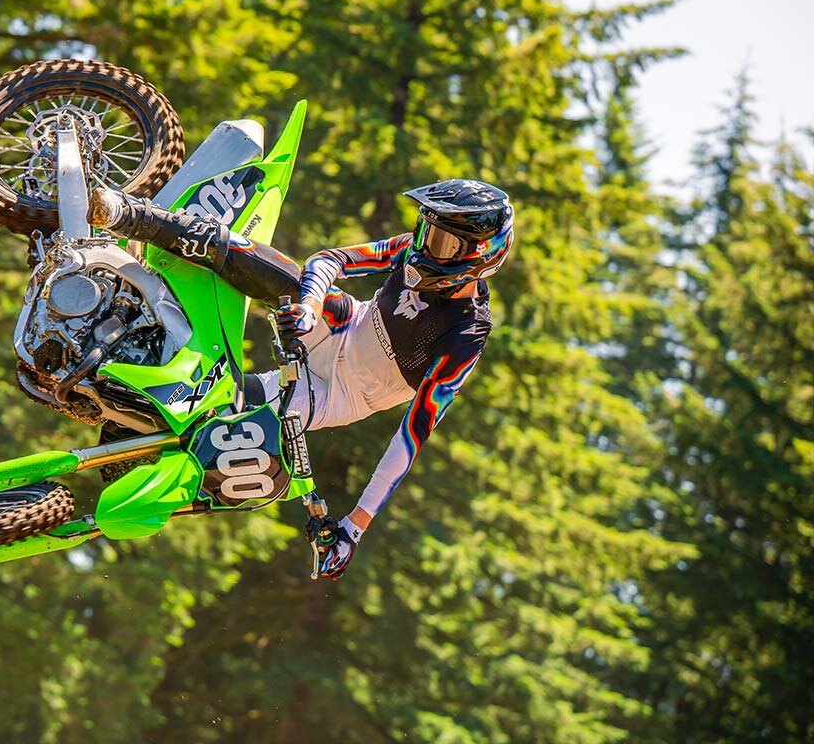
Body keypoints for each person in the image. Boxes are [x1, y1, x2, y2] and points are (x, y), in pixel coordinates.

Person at [88, 179, 513, 580]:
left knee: (218, 418)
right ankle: (132, 215)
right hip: (345, 325)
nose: (423, 244)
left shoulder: (467, 334)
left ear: (479, 256)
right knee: (281, 272)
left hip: (339, 395)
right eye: (426, 229)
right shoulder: (413, 250)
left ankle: (123, 421)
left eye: (441, 241)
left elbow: (411, 436)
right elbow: (332, 260)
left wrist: (354, 527)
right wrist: (309, 306)